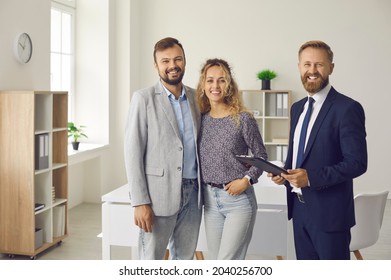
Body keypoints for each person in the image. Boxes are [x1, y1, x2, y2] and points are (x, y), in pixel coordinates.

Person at [268, 40, 367, 260]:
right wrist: (284, 174)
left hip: (330, 216)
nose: (312, 71)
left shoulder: (347, 109)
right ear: (299, 67)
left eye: (319, 65)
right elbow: (299, 157)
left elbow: (357, 162)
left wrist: (311, 178)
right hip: (300, 211)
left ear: (331, 67)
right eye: (307, 64)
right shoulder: (297, 108)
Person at [124, 37, 202, 260]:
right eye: (165, 60)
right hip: (158, 197)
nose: (172, 65)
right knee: (151, 261)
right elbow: (132, 152)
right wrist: (140, 202)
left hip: (193, 194)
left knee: (184, 260)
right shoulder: (143, 99)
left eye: (177, 59)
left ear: (185, 61)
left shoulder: (197, 98)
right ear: (156, 65)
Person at [196, 58, 267, 259]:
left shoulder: (243, 118)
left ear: (229, 85)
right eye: (210, 81)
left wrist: (246, 180)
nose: (215, 86)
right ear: (203, 85)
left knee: (227, 264)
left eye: (221, 80)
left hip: (238, 201)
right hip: (210, 202)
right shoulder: (200, 119)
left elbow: (261, 155)